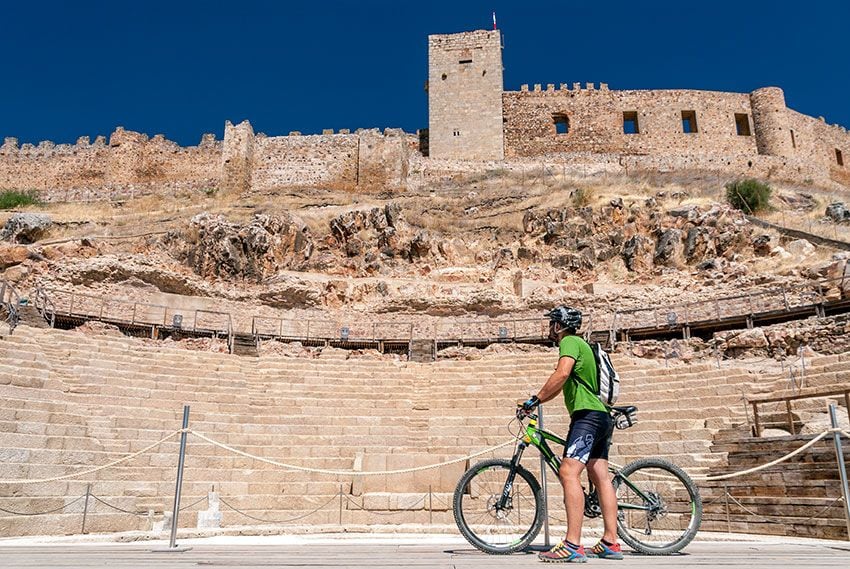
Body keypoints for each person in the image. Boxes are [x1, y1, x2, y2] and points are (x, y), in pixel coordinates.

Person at [521, 306, 623, 563]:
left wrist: (534, 399)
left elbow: (562, 373)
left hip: (586, 416)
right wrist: (539, 401)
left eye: (552, 323)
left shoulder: (569, 342)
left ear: (559, 325)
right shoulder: (584, 344)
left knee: (568, 472)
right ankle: (611, 542)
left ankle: (572, 544)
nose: (550, 328)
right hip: (601, 415)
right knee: (601, 476)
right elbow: (563, 383)